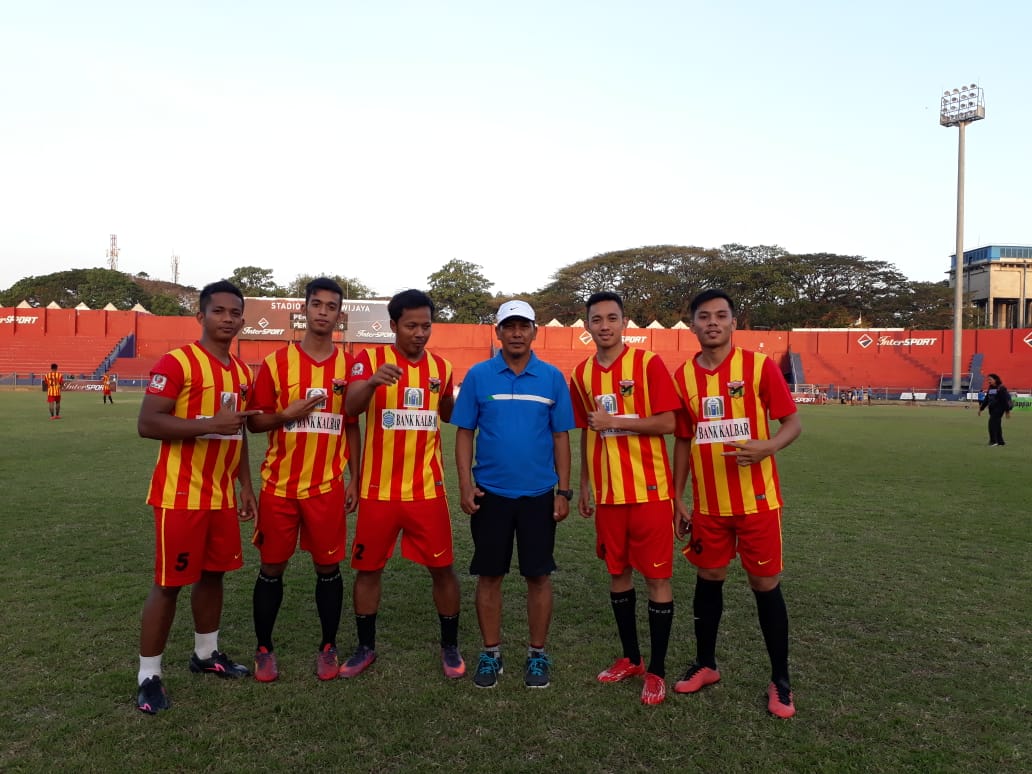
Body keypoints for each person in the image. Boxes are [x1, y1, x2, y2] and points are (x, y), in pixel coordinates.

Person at [671, 289, 802, 719]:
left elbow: (792, 423)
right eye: (704, 316)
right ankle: (706, 665)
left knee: (765, 586)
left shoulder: (758, 366)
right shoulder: (682, 377)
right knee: (709, 579)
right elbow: (685, 440)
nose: (712, 322)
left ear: (733, 323)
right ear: (692, 325)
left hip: (757, 502)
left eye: (721, 315)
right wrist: (678, 497)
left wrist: (768, 447)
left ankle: (780, 680)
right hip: (709, 506)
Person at [135, 280, 260, 714]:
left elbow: (237, 430)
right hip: (180, 495)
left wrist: (245, 483)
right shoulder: (178, 362)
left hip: (222, 496)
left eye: (235, 312)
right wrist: (209, 422)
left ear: (243, 318)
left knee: (214, 576)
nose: (228, 319)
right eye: (219, 311)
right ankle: (148, 675)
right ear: (201, 316)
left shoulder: (243, 373)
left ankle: (206, 655)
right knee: (169, 584)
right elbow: (148, 423)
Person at [341, 289, 464, 679]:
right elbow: (349, 408)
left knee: (442, 568)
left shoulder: (441, 367)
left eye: (426, 326)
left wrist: (462, 401)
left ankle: (450, 646)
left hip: (426, 491)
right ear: (393, 325)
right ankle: (365, 647)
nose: (419, 333)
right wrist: (373, 382)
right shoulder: (370, 361)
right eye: (411, 326)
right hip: (378, 491)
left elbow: (446, 411)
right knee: (368, 569)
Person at [452, 300, 575, 690]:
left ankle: (537, 654)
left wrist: (564, 491)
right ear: (498, 332)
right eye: (510, 326)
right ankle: (491, 653)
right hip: (491, 495)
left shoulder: (552, 378)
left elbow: (561, 437)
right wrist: (465, 483)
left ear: (535, 331)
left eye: (524, 326)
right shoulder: (478, 375)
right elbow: (464, 433)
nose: (517, 333)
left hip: (539, 494)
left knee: (538, 575)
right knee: (490, 576)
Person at [247, 278, 362, 682]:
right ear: (305, 309)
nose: (323, 312)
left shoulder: (351, 367)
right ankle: (264, 648)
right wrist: (285, 414)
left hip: (327, 487)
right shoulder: (277, 363)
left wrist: (355, 478)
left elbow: (350, 424)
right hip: (279, 486)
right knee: (271, 567)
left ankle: (328, 647)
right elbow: (256, 422)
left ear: (339, 315)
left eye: (331, 306)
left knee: (328, 568)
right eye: (317, 304)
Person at [569, 291, 680, 706]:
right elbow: (586, 429)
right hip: (609, 495)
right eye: (596, 319)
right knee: (617, 573)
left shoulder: (647, 363)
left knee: (657, 579)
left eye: (612, 318)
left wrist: (616, 420)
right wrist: (583, 484)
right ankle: (631, 657)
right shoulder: (581, 374)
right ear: (586, 327)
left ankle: (657, 670)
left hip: (650, 491)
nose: (604, 326)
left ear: (625, 323)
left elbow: (669, 421)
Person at [978, 373, 1011, 447]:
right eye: (988, 380)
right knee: (997, 425)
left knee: (992, 424)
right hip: (992, 409)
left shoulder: (1001, 388)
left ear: (995, 379)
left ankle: (993, 441)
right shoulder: (991, 388)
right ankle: (1000, 442)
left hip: (999, 409)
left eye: (990, 379)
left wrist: (1007, 411)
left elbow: (1004, 400)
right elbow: (987, 399)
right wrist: (981, 408)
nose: (988, 381)